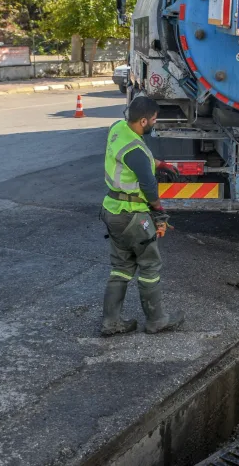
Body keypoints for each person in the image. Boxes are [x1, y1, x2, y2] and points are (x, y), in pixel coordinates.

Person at [99, 95, 184, 336]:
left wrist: (159, 163)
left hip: (111, 209)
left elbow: (134, 160)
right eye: (154, 120)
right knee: (149, 265)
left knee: (121, 266)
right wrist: (158, 211)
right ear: (144, 120)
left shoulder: (118, 128)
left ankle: (110, 322)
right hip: (133, 214)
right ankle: (157, 320)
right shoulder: (135, 148)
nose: (155, 123)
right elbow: (147, 185)